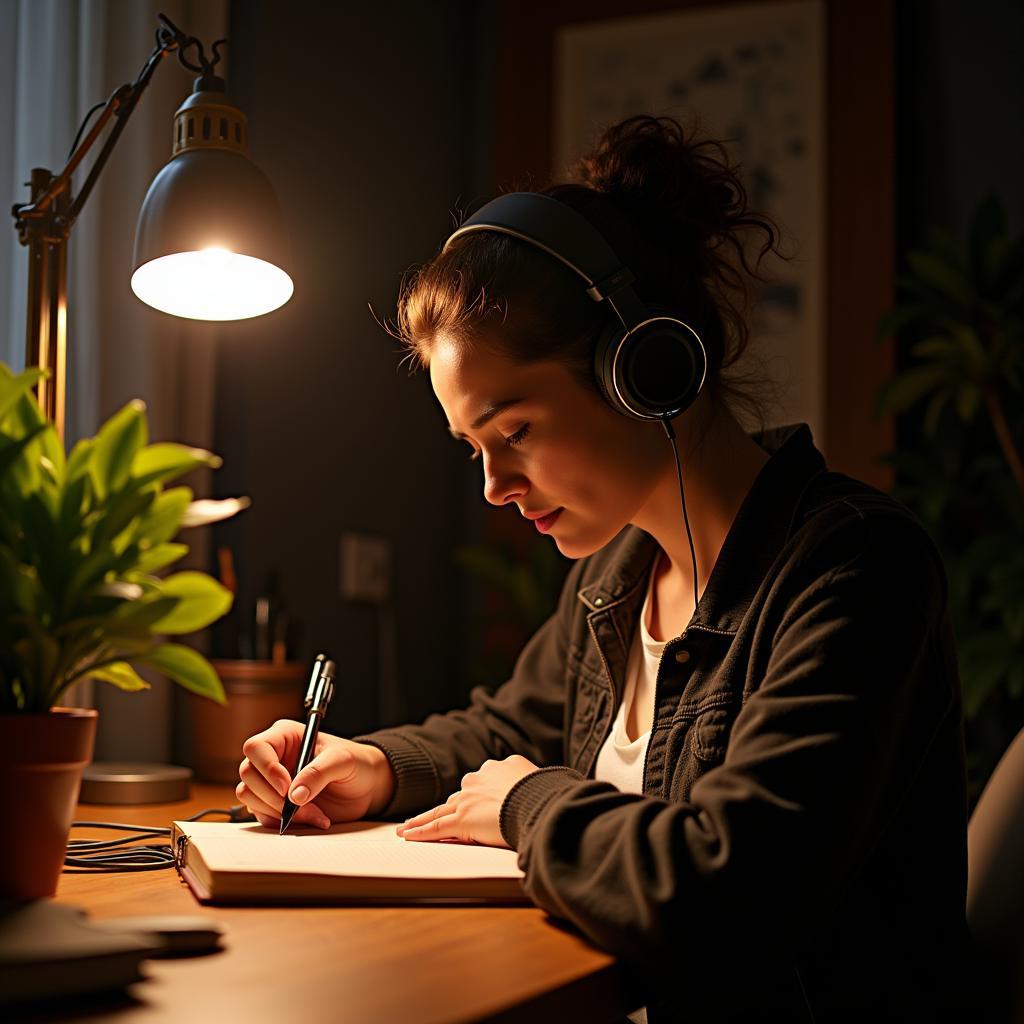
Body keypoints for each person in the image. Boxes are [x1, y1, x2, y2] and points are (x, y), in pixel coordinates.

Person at [236, 115, 973, 1021]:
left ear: (645, 369)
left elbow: (726, 893)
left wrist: (527, 807)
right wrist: (376, 766)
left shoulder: (853, 570)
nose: (496, 488)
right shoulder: (617, 572)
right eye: (474, 448)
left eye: (514, 433)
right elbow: (510, 724)